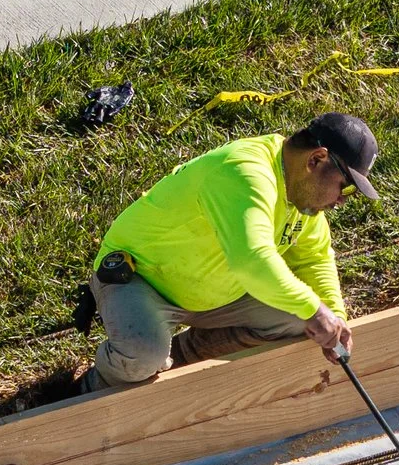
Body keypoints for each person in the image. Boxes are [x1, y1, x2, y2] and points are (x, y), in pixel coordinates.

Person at [83, 112, 376, 390]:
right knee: (142, 356)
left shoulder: (302, 199)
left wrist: (335, 318)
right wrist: (314, 310)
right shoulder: (245, 174)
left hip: (213, 292)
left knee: (302, 323)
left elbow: (315, 258)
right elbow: (252, 260)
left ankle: (177, 360)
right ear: (316, 159)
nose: (342, 201)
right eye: (346, 187)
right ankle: (90, 389)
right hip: (142, 277)